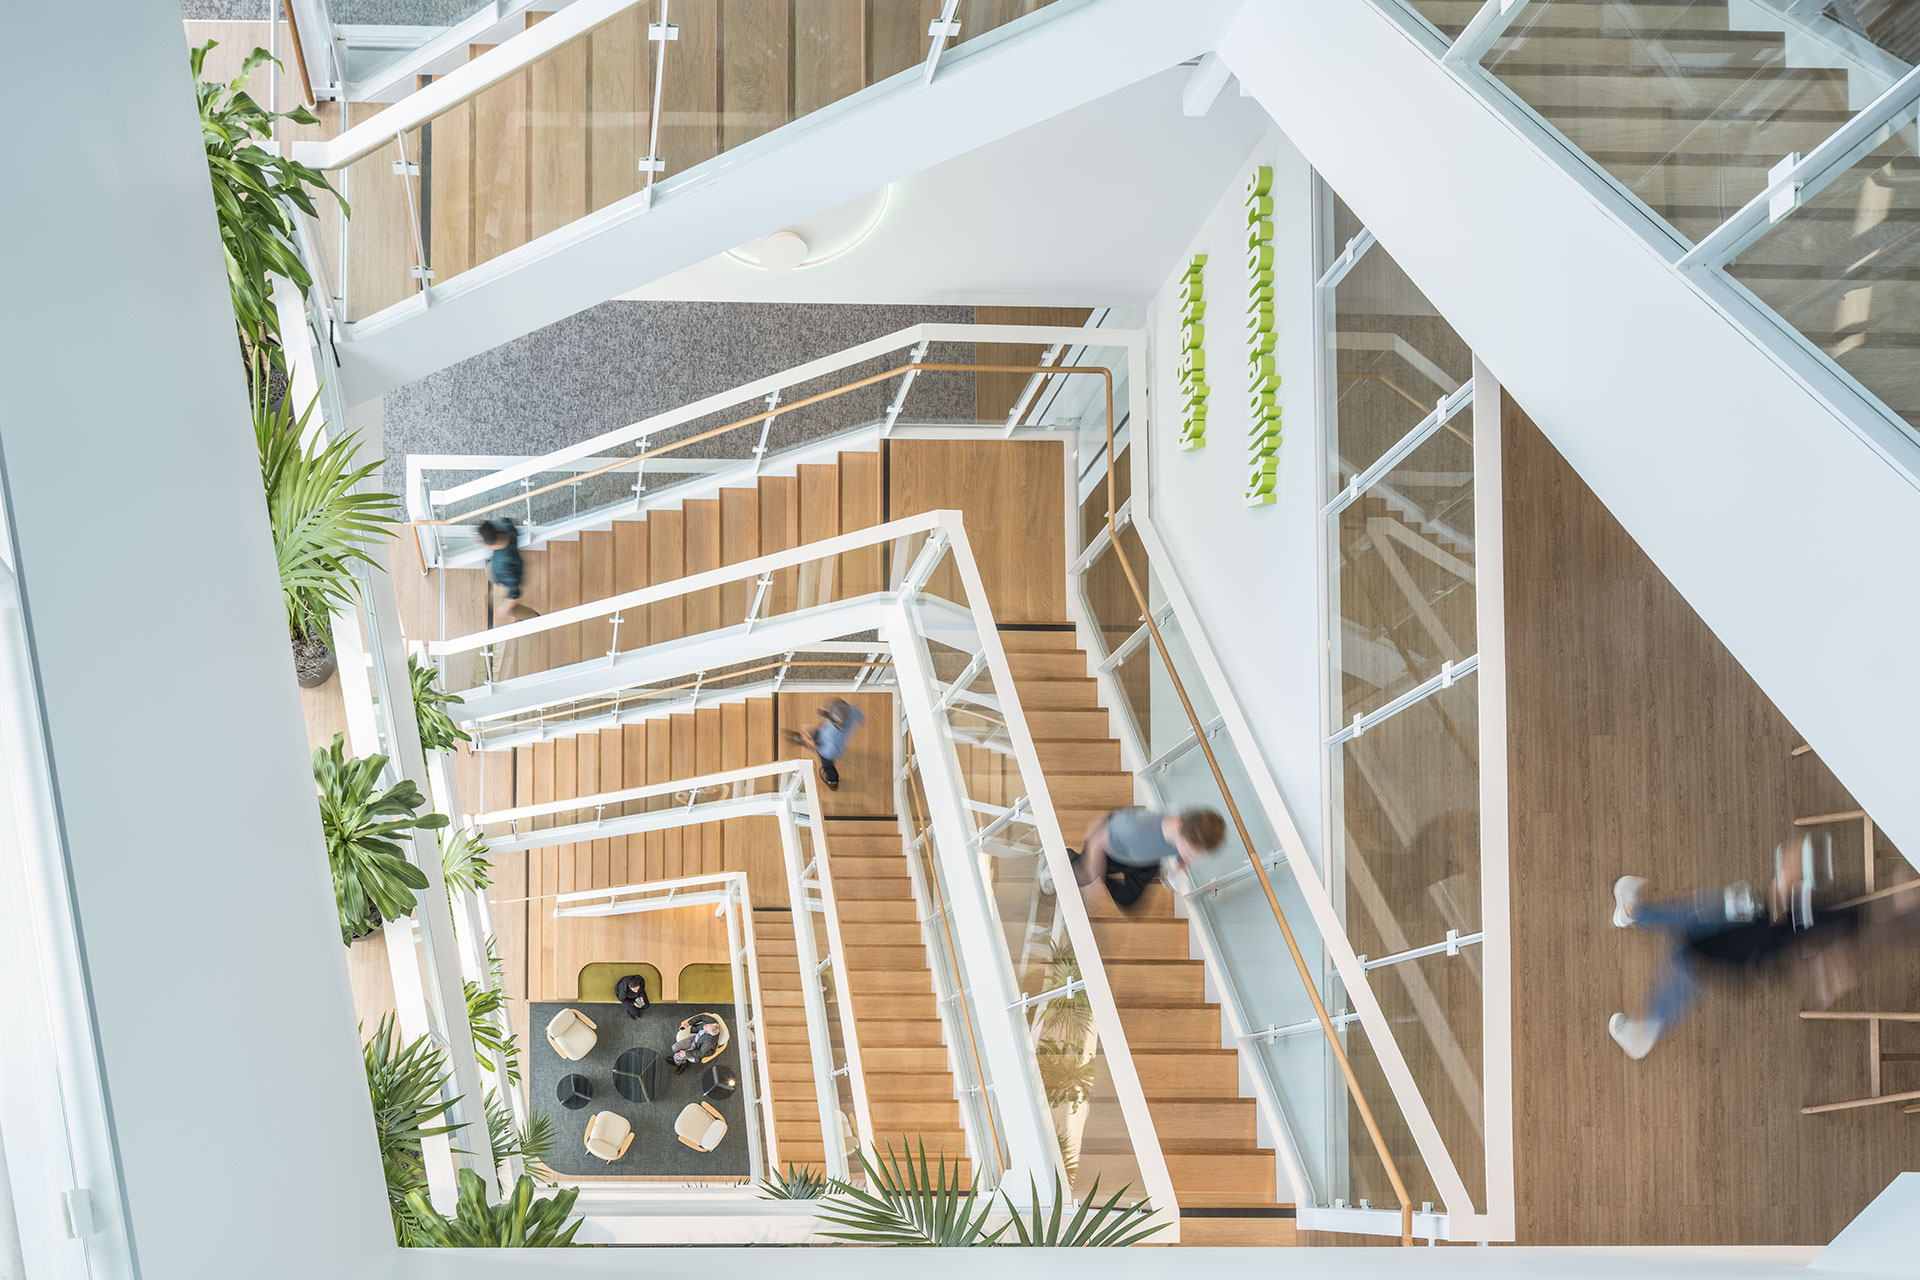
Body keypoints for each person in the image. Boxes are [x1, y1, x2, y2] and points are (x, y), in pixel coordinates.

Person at [1607, 837, 1863, 1060]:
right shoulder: (1835, 920)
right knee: (1694, 918)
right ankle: (1636, 914)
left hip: (1750, 937)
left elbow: (1787, 919)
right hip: (1753, 929)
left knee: (1690, 954)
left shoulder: (1827, 924)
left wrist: (1785, 882)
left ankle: (1648, 1030)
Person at [1068, 807, 1227, 910]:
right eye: (1190, 852)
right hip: (1112, 851)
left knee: (1127, 899)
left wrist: (1180, 867)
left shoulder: (1189, 827)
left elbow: (1186, 849)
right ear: (1178, 829)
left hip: (1145, 859)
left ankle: (1099, 874)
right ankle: (1069, 857)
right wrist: (1093, 876)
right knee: (1082, 876)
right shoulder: (1134, 828)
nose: (1193, 860)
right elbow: (1098, 835)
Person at [782, 698, 865, 792]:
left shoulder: (833, 741)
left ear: (835, 722)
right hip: (823, 733)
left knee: (828, 766)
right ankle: (802, 738)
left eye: (829, 715)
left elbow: (825, 752)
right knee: (815, 733)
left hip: (828, 750)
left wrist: (811, 742)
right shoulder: (850, 710)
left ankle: (832, 781)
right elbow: (859, 715)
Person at [475, 518, 539, 624]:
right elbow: (506, 521)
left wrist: (505, 609)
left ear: (490, 546)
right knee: (489, 571)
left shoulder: (506, 567)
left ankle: (533, 618)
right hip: (499, 570)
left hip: (507, 579)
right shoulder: (508, 529)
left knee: (511, 609)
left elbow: (514, 593)